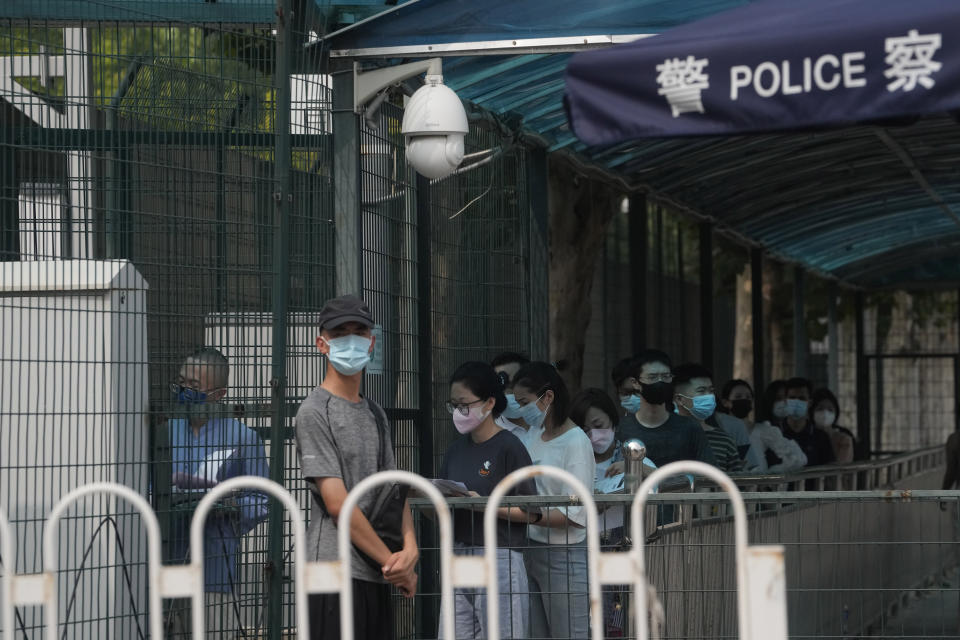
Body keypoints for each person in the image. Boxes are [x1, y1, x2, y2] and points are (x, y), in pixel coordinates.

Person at [295, 295, 419, 640]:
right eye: (340, 333)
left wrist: (410, 549)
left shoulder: (376, 413)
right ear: (321, 343)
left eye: (359, 331)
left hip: (376, 571)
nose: (351, 339)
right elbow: (337, 504)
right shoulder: (314, 411)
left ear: (372, 342)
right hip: (332, 571)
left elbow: (394, 489)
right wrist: (395, 566)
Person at [165, 347, 270, 638]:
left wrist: (229, 505)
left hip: (215, 563)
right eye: (182, 382)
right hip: (167, 559)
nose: (185, 390)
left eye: (194, 387)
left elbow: (261, 500)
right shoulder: (165, 433)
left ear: (219, 394)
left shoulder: (243, 438)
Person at [438, 361, 537, 640]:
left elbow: (531, 511)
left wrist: (485, 503)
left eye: (464, 404)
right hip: (460, 552)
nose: (458, 412)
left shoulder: (510, 446)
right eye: (454, 405)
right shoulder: (456, 450)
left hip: (500, 554)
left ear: (490, 402)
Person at [513, 361, 595, 640]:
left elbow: (574, 514)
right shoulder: (533, 435)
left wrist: (523, 515)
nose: (520, 409)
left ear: (547, 397)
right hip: (530, 549)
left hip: (564, 554)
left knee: (569, 633)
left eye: (524, 402)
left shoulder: (576, 443)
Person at [615, 350, 717, 468]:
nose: (660, 382)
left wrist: (649, 472)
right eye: (652, 377)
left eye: (665, 376)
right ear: (635, 383)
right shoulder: (621, 429)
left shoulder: (689, 428)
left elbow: (708, 476)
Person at [672, 363, 747, 473]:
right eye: (701, 391)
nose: (709, 396)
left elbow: (736, 485)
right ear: (679, 399)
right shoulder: (665, 436)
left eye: (711, 391)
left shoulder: (725, 440)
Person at [719, 379, 807, 473]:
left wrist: (773, 473)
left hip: (756, 486)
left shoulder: (763, 431)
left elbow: (797, 459)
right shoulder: (716, 434)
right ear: (725, 402)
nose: (744, 399)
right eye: (738, 396)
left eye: (748, 397)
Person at [780, 377, 836, 467]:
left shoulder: (821, 438)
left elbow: (830, 474)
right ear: (785, 401)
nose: (796, 402)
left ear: (809, 403)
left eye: (802, 398)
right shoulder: (772, 434)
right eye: (792, 398)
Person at [810, 388, 860, 463]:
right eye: (820, 408)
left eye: (830, 409)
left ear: (836, 413)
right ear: (811, 411)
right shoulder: (806, 436)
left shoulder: (844, 439)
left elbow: (841, 467)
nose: (825, 413)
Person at [491, 352, 531, 439]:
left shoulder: (546, 426)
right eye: (502, 386)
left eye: (514, 385)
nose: (507, 394)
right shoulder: (491, 436)